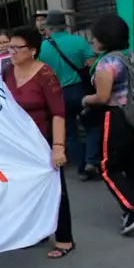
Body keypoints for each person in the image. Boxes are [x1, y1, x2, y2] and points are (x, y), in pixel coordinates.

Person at [1, 26, 74, 259]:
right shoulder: (6, 72)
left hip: (43, 141)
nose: (11, 51)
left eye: (17, 48)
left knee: (56, 190)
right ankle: (36, 231)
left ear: (32, 50)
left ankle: (65, 239)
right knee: (25, 190)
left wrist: (58, 147)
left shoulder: (45, 75)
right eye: (9, 47)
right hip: (16, 144)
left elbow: (58, 113)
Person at [81, 14, 134, 236]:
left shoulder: (107, 62)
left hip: (117, 117)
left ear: (106, 38)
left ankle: (132, 208)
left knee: (107, 165)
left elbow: (103, 96)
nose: (92, 41)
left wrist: (86, 100)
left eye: (95, 37)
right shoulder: (132, 57)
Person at [38, 10, 99, 181]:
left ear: (49, 28)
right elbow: (92, 67)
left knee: (69, 132)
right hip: (80, 90)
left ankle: (81, 168)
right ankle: (91, 161)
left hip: (56, 94)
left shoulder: (42, 49)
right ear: (65, 26)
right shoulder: (78, 41)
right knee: (93, 125)